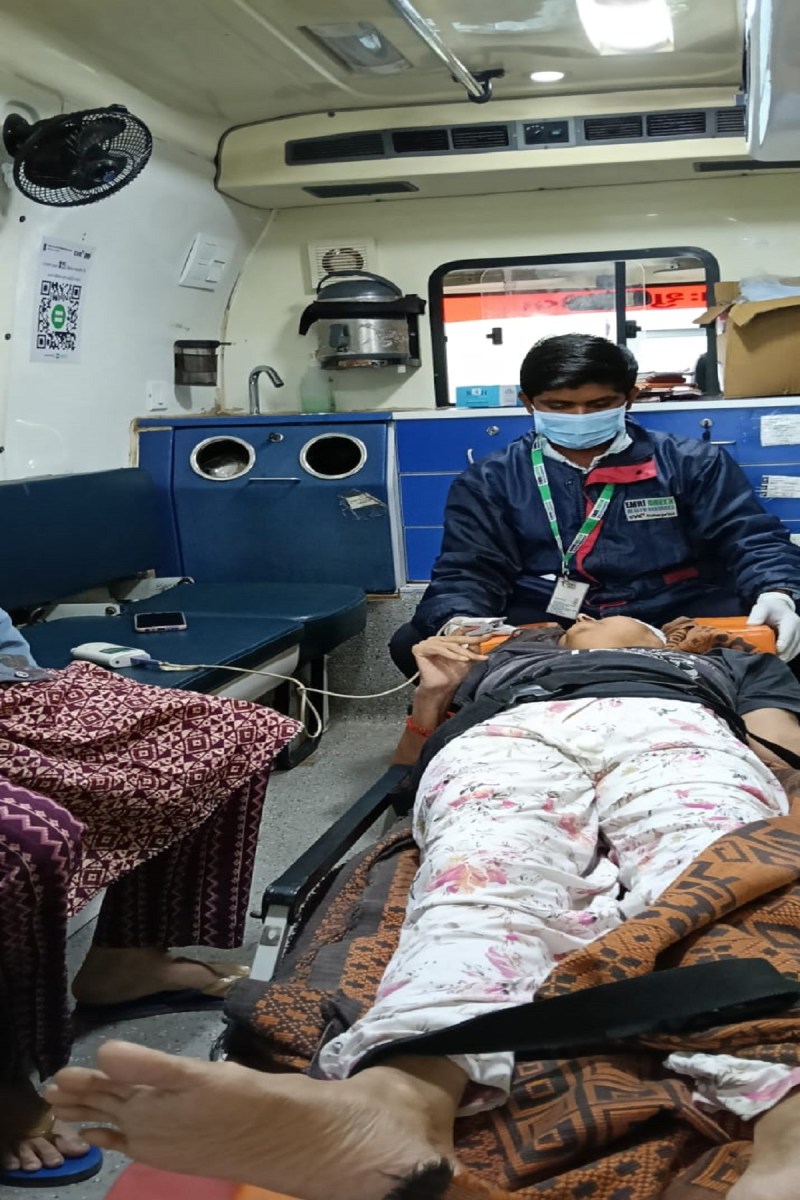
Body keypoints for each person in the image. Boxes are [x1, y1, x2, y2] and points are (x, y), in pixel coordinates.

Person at [47, 615, 800, 1200]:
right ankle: (398, 1101)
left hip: (676, 729)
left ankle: (788, 1130)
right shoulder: (502, 659)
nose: (587, 619)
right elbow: (404, 769)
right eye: (577, 619)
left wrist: (741, 749)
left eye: (611, 616)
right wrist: (434, 694)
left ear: (666, 635)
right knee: (481, 877)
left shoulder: (730, 662)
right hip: (506, 736)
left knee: (719, 869)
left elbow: (780, 761)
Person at [0, 606, 299, 1178]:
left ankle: (128, 962)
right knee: (28, 844)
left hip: (12, 689)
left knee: (231, 731)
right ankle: (3, 1076)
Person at [390, 333, 800, 676]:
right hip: (551, 612)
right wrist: (459, 619)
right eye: (559, 406)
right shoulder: (491, 478)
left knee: (787, 628)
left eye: (600, 404)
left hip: (675, 605)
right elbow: (469, 567)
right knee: (414, 644)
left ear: (630, 398)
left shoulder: (692, 462)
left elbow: (750, 537)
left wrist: (778, 591)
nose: (580, 416)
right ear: (528, 402)